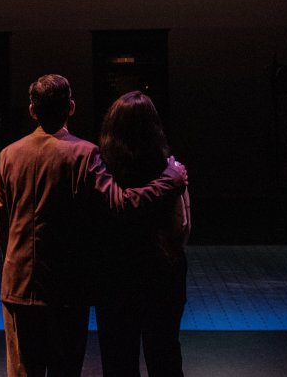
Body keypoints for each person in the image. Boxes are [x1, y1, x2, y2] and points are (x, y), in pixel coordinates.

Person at [0, 75, 187, 377]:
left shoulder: (8, 155)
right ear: (71, 107)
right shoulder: (85, 154)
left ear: (32, 110)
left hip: (17, 284)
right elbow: (121, 203)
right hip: (65, 288)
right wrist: (169, 180)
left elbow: (2, 221)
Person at [94, 90, 191, 377]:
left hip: (114, 274)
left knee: (118, 360)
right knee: (165, 355)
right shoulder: (170, 169)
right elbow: (183, 226)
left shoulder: (101, 170)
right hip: (162, 273)